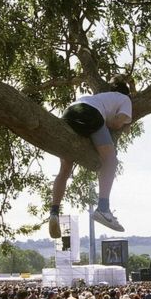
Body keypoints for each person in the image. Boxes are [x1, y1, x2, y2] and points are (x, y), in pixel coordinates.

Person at [48, 75, 132, 238]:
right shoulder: (125, 99)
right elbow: (116, 124)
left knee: (65, 170)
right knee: (110, 161)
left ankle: (54, 212)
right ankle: (103, 208)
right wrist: (122, 122)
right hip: (90, 114)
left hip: (69, 113)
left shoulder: (98, 97)